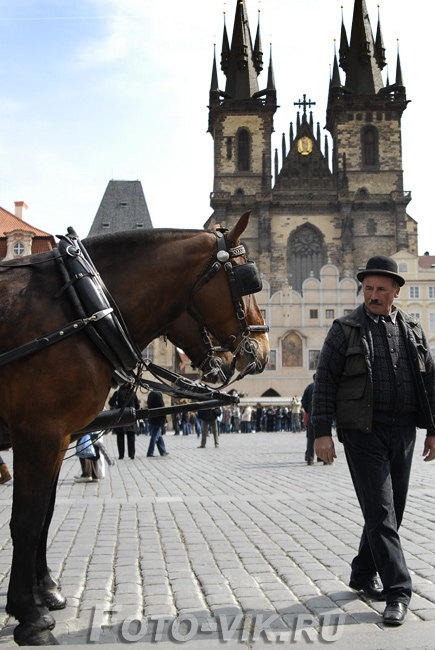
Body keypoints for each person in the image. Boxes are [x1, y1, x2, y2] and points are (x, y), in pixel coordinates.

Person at [312, 255, 435, 627]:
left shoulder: (413, 329)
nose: (374, 295)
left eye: (382, 289)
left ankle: (363, 572)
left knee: (389, 510)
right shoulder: (345, 328)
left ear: (397, 291)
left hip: (403, 431)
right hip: (362, 431)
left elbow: (428, 381)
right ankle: (398, 591)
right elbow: (325, 381)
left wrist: (433, 428)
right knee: (382, 512)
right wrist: (321, 432)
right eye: (369, 289)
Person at [108, 384, 139, 459]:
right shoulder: (132, 393)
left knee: (120, 438)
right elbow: (137, 406)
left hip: (120, 417)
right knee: (131, 437)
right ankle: (131, 454)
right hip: (130, 417)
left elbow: (110, 403)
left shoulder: (118, 393)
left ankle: (121, 455)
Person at [146, 390, 169, 457]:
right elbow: (162, 407)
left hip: (152, 418)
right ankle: (150, 453)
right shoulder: (159, 395)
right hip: (159, 419)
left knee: (158, 436)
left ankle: (163, 451)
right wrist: (165, 418)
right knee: (154, 436)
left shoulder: (150, 395)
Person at [301, 375, 317, 465]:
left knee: (311, 439)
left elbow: (303, 401)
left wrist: (309, 410)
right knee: (323, 436)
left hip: (311, 417)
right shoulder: (324, 385)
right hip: (323, 418)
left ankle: (310, 458)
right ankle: (324, 458)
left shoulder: (309, 387)